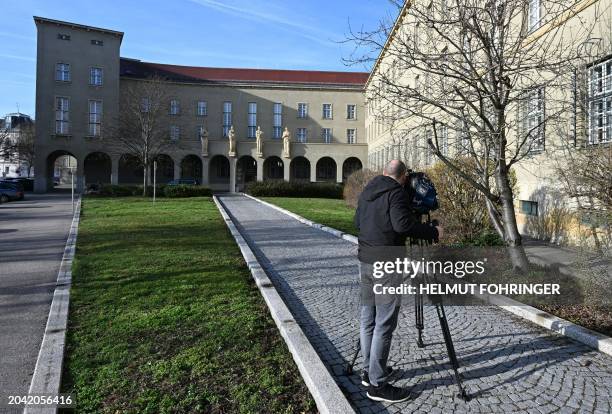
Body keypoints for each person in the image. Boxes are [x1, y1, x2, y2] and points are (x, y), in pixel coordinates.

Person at [354, 159, 443, 403]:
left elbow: (357, 223)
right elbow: (403, 225)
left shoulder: (368, 190)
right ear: (403, 176)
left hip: (365, 260)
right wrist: (433, 232)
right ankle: (378, 385)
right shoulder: (396, 193)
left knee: (368, 319)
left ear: (384, 172)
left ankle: (368, 370)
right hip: (386, 262)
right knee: (384, 323)